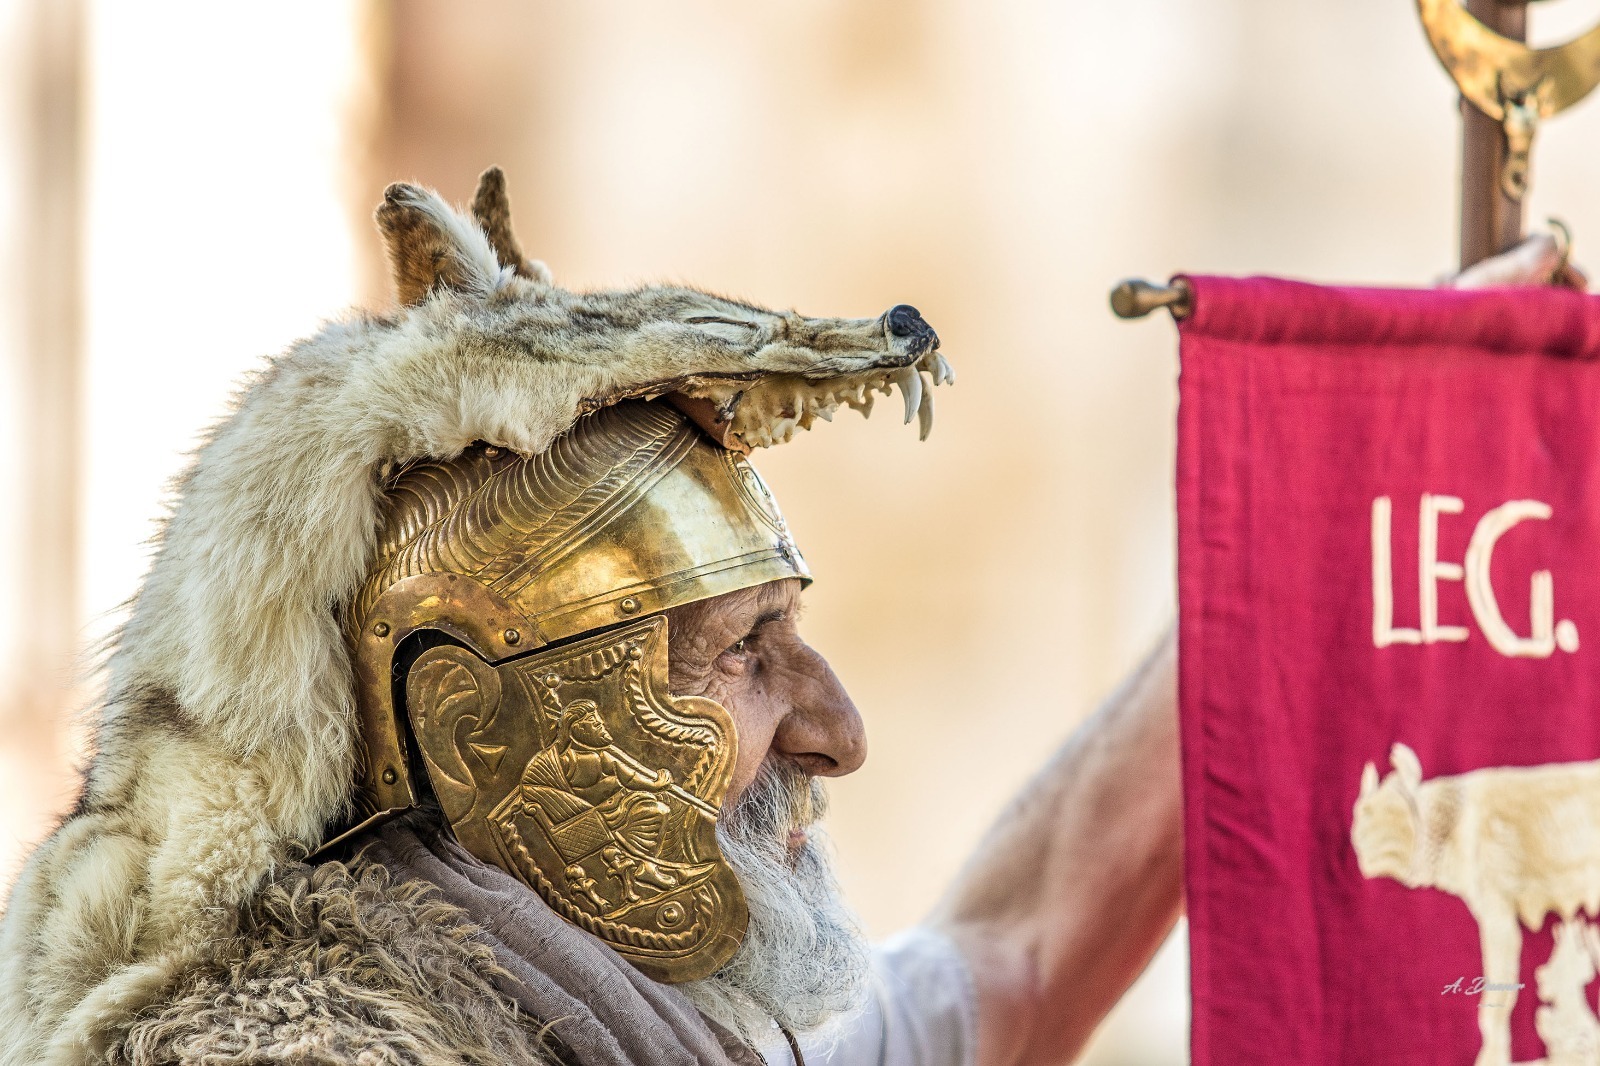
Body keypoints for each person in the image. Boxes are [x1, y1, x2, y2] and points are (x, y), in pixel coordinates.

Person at [0, 166, 1570, 1066]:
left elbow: (1012, 955)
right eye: (745, 654)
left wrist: (1352, 469)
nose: (836, 729)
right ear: (478, 725)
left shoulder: (645, 1018)